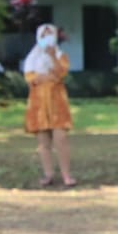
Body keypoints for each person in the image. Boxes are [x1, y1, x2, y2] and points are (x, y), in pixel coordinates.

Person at [23, 23, 76, 187]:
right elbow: (31, 78)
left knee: (61, 138)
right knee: (43, 143)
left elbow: (61, 74)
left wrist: (53, 57)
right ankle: (48, 174)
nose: (46, 38)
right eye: (43, 35)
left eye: (49, 34)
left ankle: (66, 175)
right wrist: (45, 77)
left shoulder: (61, 56)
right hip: (38, 104)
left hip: (57, 102)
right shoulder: (32, 57)